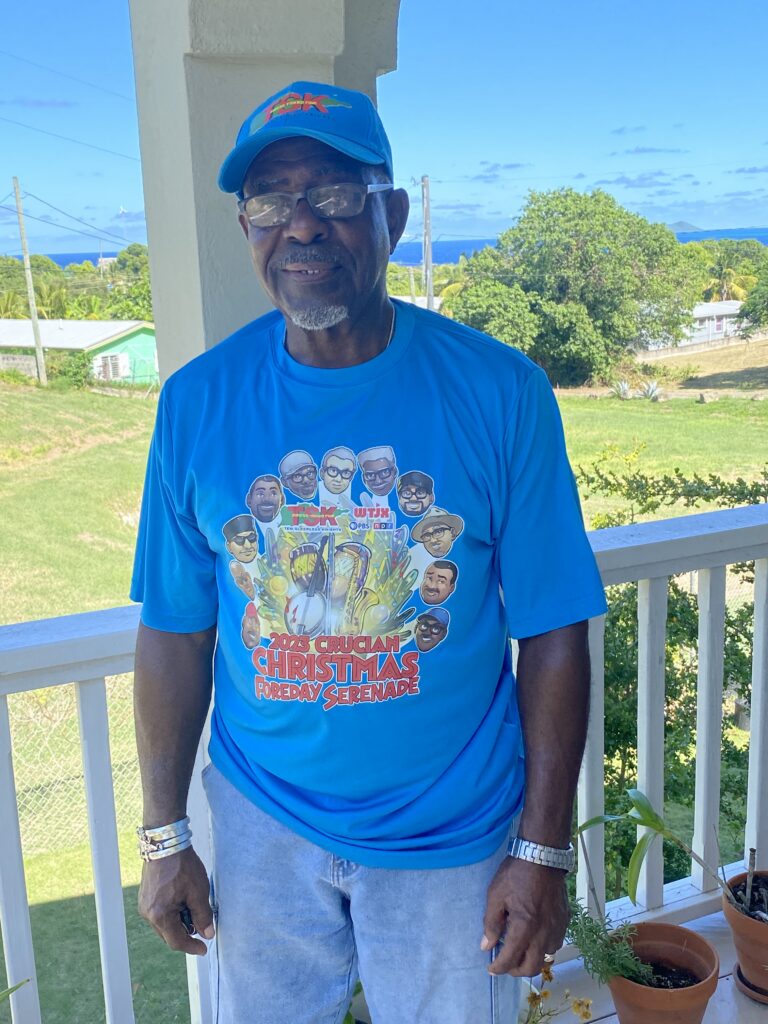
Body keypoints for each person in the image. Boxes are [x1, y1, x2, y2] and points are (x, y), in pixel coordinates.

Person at [131, 79, 607, 1024]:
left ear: (392, 215)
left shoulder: (500, 391)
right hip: (263, 821)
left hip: (452, 832)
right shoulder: (196, 404)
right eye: (270, 200)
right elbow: (175, 632)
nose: (302, 224)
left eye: (335, 193)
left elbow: (555, 627)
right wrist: (163, 836)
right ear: (246, 227)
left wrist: (542, 850)